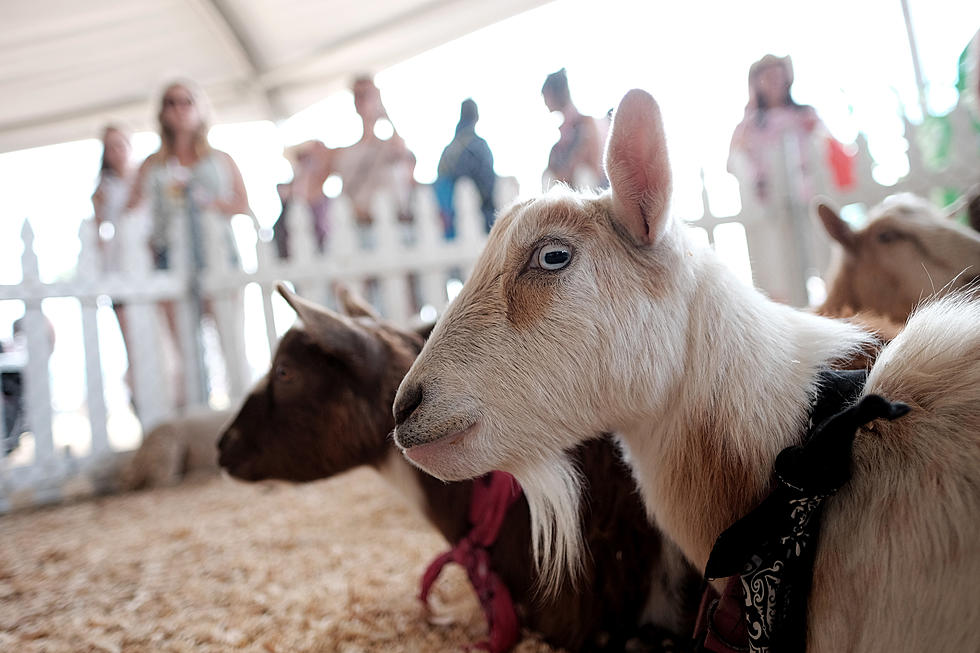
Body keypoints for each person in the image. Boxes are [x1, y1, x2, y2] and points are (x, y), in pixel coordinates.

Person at [127, 79, 252, 405]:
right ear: (163, 112)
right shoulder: (151, 165)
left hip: (218, 257)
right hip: (171, 259)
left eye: (186, 102)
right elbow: (135, 211)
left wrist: (208, 201)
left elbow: (242, 203)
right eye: (171, 103)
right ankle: (195, 412)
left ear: (198, 109)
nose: (179, 110)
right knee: (184, 350)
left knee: (230, 343)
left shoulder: (220, 158)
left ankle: (240, 407)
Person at [727, 54, 850, 201]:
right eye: (768, 77)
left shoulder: (805, 114)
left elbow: (828, 146)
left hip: (809, 192)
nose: (775, 82)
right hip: (771, 199)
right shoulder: (749, 125)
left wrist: (816, 134)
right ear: (756, 83)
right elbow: (733, 162)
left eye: (778, 76)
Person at [326, 76, 416, 226]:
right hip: (359, 226)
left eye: (368, 94)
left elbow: (402, 153)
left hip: (393, 223)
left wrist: (384, 114)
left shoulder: (389, 146)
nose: (363, 101)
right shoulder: (344, 153)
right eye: (358, 96)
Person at [92, 125, 136, 375]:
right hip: (118, 267)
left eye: (121, 145)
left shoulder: (143, 178)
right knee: (129, 338)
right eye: (111, 147)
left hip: (142, 262)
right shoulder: (102, 190)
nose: (117, 152)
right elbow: (98, 235)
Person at [434, 99, 497, 238]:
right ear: (477, 117)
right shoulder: (478, 146)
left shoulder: (449, 148)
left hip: (449, 217)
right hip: (475, 218)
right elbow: (487, 183)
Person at [541, 68, 605, 189]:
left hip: (588, 189)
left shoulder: (585, 123)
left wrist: (561, 176)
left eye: (545, 95)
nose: (545, 101)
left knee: (583, 175)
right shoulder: (563, 133)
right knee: (547, 176)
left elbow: (585, 162)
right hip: (567, 182)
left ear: (554, 93)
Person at [272, 139, 331, 258]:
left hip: (319, 241)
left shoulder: (321, 188)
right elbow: (300, 195)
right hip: (290, 242)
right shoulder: (285, 187)